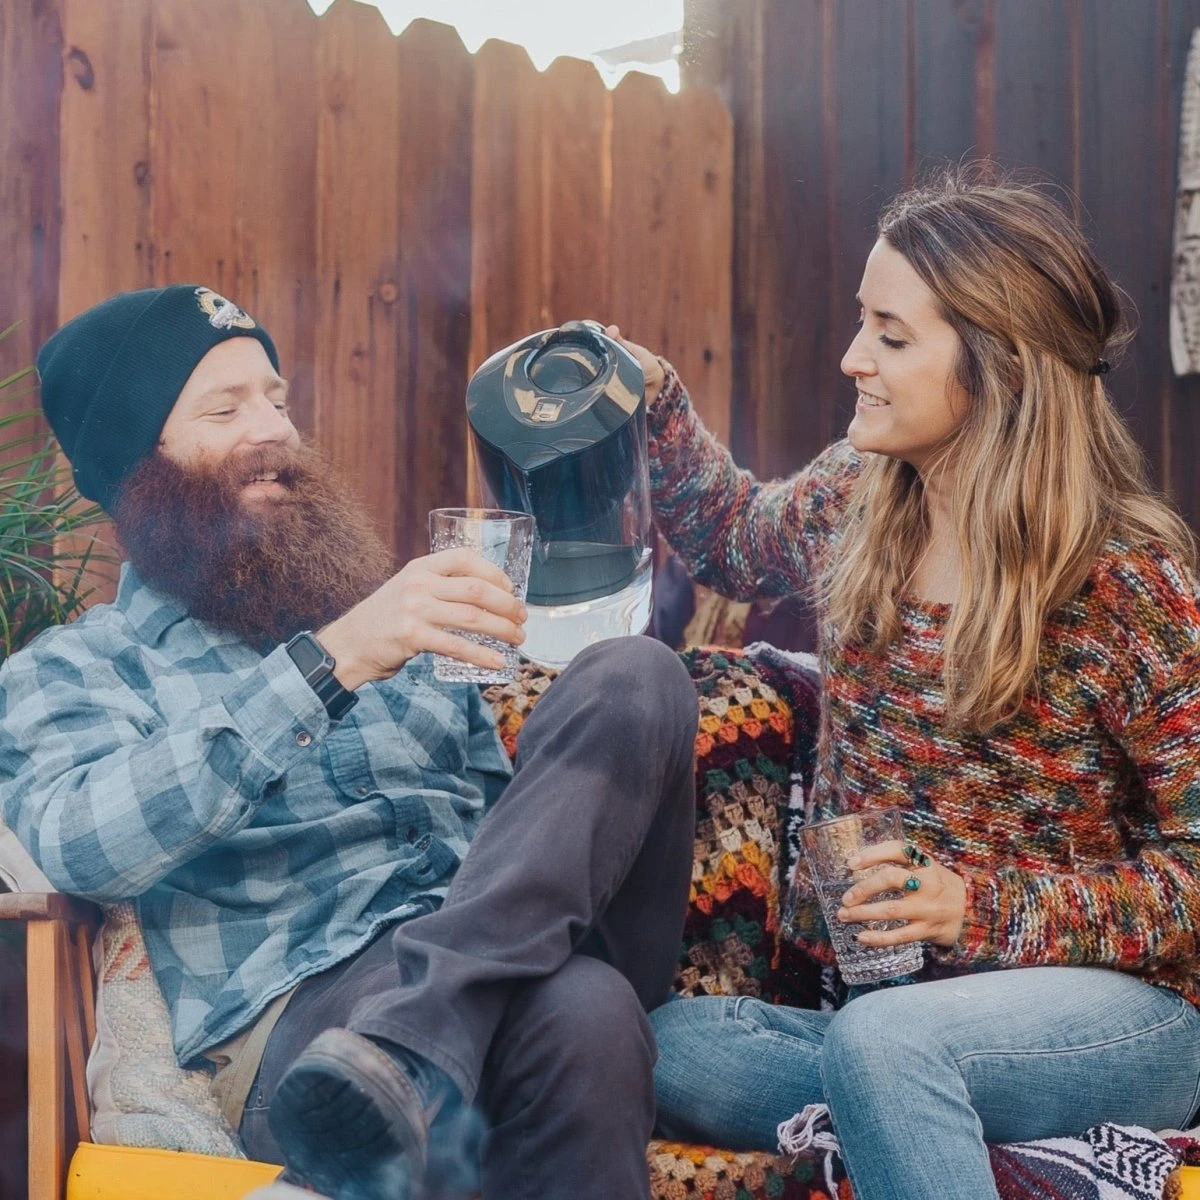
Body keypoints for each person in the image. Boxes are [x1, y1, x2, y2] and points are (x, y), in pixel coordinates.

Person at [0, 284, 699, 1200]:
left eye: (277, 399)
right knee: (587, 1007)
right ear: (139, 469)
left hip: (484, 963)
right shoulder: (81, 666)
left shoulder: (400, 625)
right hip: (308, 1028)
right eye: (226, 409)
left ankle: (417, 1040)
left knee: (639, 674)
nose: (274, 429)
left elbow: (509, 843)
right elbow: (81, 842)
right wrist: (333, 662)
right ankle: (404, 1051)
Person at [610, 165, 1200, 1200]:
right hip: (893, 1012)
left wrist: (977, 909)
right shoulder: (861, 497)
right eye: (861, 324)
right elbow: (736, 539)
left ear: (998, 366)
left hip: (1122, 1019)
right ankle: (922, 1121)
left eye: (890, 336)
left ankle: (906, 1098)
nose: (853, 358)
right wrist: (654, 395)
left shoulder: (1127, 583)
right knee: (663, 1045)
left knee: (884, 1046)